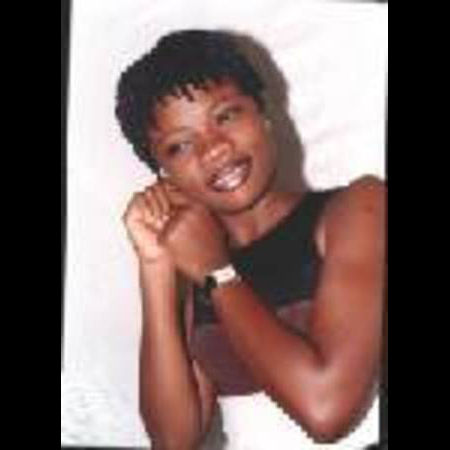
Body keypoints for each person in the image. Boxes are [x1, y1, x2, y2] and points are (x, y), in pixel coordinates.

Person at [116, 30, 385, 450]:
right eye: (180, 145)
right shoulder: (199, 267)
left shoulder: (359, 208)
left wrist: (216, 273)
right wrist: (154, 265)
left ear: (263, 113)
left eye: (225, 116)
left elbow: (327, 411)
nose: (214, 149)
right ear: (164, 175)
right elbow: (174, 440)